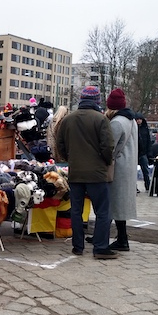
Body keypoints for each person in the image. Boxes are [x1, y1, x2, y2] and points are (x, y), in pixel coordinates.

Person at [55, 86, 117, 259]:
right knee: (102, 211)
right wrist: (105, 161)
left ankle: (78, 246)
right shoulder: (101, 119)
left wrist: (70, 158)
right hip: (97, 173)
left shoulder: (68, 119)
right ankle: (100, 247)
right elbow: (108, 146)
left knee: (76, 210)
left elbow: (60, 145)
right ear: (97, 100)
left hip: (75, 172)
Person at [105, 89, 138, 252]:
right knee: (120, 203)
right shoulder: (131, 120)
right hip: (128, 165)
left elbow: (109, 147)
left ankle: (120, 239)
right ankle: (121, 237)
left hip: (118, 167)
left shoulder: (116, 123)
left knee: (114, 203)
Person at [134, 113, 152, 192]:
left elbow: (148, 140)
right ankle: (135, 187)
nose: (139, 121)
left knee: (145, 171)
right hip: (136, 153)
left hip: (142, 152)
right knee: (134, 172)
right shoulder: (135, 128)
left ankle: (148, 186)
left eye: (140, 119)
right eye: (137, 119)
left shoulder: (145, 129)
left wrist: (149, 152)